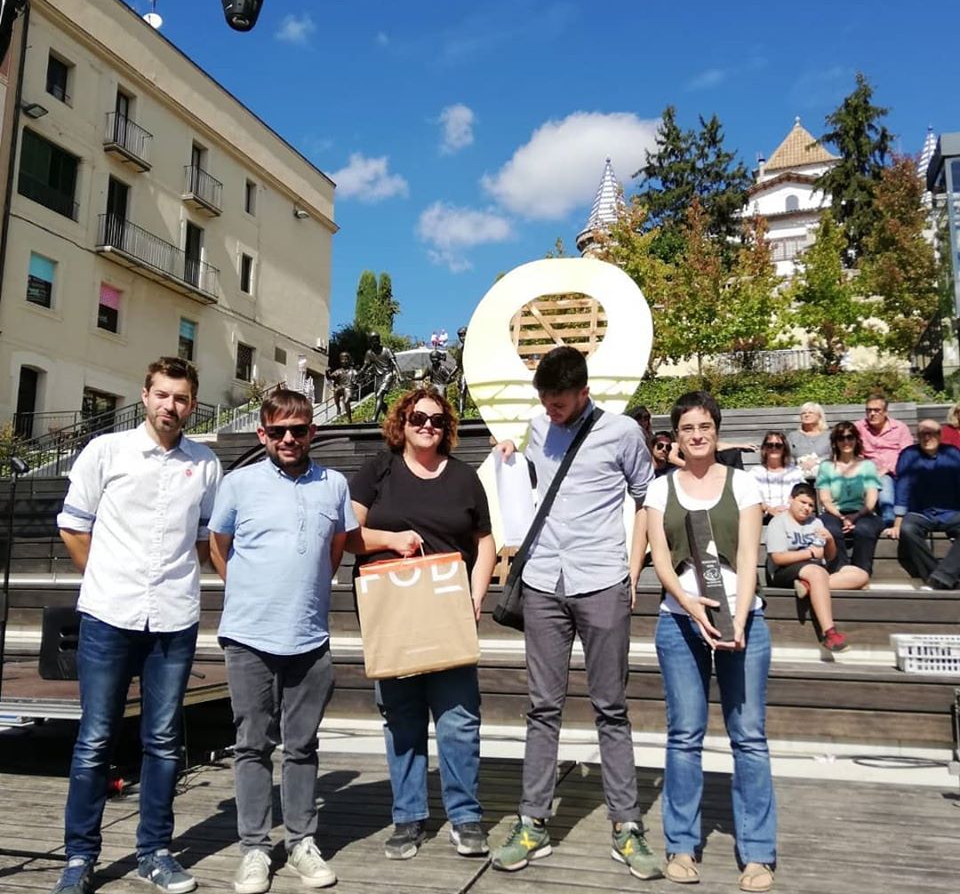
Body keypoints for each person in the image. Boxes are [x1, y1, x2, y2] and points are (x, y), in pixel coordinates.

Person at [490, 347, 661, 881]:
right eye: (545, 401)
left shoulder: (623, 434)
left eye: (560, 402)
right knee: (543, 707)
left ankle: (626, 825)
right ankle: (533, 821)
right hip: (542, 581)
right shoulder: (538, 427)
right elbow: (528, 485)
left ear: (584, 392)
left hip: (603, 581)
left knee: (611, 706)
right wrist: (509, 454)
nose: (551, 411)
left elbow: (647, 499)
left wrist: (633, 570)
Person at [52, 357, 222, 894]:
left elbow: (204, 539)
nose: (171, 406)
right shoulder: (106, 451)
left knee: (165, 740)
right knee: (95, 738)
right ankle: (79, 859)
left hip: (174, 618)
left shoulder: (206, 464)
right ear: (145, 395)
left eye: (182, 398)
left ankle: (155, 852)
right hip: (109, 614)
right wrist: (105, 578)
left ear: (192, 405)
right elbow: (73, 526)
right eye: (163, 395)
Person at [208, 389, 358, 893]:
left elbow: (335, 547)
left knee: (302, 746)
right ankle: (254, 848)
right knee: (251, 745)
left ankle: (300, 841)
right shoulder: (237, 483)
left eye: (299, 429)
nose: (289, 438)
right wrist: (253, 593)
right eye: (278, 431)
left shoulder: (334, 484)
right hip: (248, 636)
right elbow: (218, 545)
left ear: (313, 431)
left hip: (310, 636)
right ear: (262, 434)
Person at [348, 389, 496, 860]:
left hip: (448, 614)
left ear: (446, 425)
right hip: (393, 615)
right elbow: (350, 535)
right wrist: (393, 539)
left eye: (436, 418)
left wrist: (474, 598)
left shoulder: (464, 478)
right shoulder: (379, 470)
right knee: (403, 720)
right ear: (402, 421)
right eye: (417, 416)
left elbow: (486, 543)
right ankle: (408, 818)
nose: (427, 424)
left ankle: (465, 817)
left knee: (458, 721)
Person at [645, 391, 776, 893]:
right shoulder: (661, 491)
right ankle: (681, 845)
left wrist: (738, 618)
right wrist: (690, 603)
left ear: (716, 432)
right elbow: (659, 560)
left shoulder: (744, 484)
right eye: (686, 428)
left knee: (749, 737)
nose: (696, 435)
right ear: (675, 436)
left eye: (704, 426)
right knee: (684, 736)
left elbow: (747, 555)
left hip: (744, 622)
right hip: (680, 622)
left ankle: (758, 853)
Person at [766, 482, 867, 653]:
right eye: (803, 502)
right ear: (791, 500)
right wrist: (810, 554)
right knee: (817, 572)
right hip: (783, 572)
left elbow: (829, 556)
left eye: (811, 505)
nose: (806, 508)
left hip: (812, 571)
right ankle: (829, 633)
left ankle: (809, 586)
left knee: (860, 575)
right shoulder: (778, 522)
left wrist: (830, 540)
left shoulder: (816, 522)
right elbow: (778, 557)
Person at [883, 420, 960, 591]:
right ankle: (942, 578)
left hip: (951, 512)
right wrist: (898, 521)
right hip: (920, 513)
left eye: (931, 433)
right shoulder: (909, 454)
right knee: (907, 530)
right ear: (917, 437)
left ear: (940, 435)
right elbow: (903, 486)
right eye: (922, 434)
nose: (927, 437)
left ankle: (940, 578)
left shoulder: (953, 453)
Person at [816, 422, 885, 577]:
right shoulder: (826, 466)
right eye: (841, 438)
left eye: (850, 437)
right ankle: (840, 572)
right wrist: (841, 517)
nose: (846, 442)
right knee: (831, 530)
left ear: (856, 440)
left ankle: (861, 573)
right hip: (835, 512)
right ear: (835, 442)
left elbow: (871, 500)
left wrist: (855, 517)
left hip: (862, 512)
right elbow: (825, 499)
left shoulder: (867, 465)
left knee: (864, 530)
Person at [855, 394, 913, 525]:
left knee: (884, 478)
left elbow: (907, 454)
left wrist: (887, 469)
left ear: (885, 412)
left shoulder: (899, 428)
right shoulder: (858, 428)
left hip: (897, 472)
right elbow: (854, 453)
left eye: (877, 410)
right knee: (883, 480)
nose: (872, 414)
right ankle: (888, 519)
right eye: (869, 410)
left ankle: (889, 518)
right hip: (868, 473)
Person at [750, 431, 803, 523]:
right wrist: (769, 509)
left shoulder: (795, 472)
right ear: (764, 449)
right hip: (763, 516)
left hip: (791, 515)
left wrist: (789, 509)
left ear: (784, 449)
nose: (773, 448)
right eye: (770, 445)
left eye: (778, 446)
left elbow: (801, 495)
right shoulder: (755, 472)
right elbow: (751, 497)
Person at [359, 331, 402, 421]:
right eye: (372, 341)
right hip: (378, 376)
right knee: (379, 398)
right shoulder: (369, 353)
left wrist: (400, 375)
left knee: (379, 395)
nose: (375, 343)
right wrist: (359, 373)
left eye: (376, 340)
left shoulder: (387, 350)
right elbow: (365, 366)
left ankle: (374, 418)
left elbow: (394, 363)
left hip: (388, 375)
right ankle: (391, 418)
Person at [787, 402, 831, 480]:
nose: (806, 415)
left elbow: (835, 454)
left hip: (825, 477)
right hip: (799, 477)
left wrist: (817, 461)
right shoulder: (793, 436)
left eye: (811, 413)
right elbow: (788, 456)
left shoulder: (829, 436)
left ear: (819, 416)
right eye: (803, 413)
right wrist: (799, 466)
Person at [325, 352, 358, 422]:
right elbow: (330, 377)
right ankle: (338, 407)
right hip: (341, 387)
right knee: (336, 390)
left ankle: (349, 419)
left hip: (349, 388)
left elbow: (357, 379)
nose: (344, 361)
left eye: (346, 359)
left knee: (346, 401)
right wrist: (327, 372)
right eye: (342, 359)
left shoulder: (353, 371)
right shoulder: (338, 371)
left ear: (349, 360)